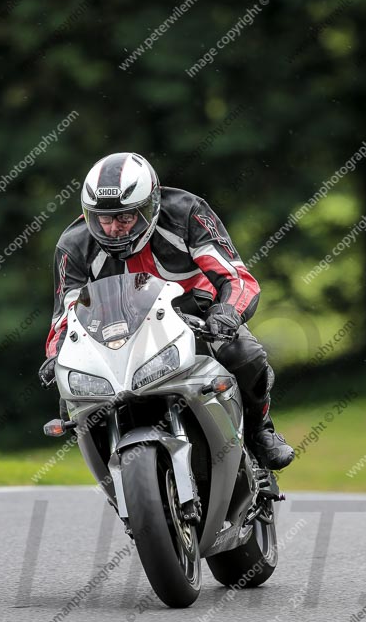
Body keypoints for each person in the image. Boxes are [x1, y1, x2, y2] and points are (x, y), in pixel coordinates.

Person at [39, 152, 294, 470]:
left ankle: (260, 432)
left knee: (245, 353)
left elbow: (237, 278)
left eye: (125, 217)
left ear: (150, 205)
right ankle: (117, 471)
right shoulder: (73, 245)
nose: (114, 228)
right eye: (104, 218)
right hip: (119, 330)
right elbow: (65, 316)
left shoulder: (187, 211)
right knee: (70, 398)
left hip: (197, 313)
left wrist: (227, 313)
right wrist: (58, 354)